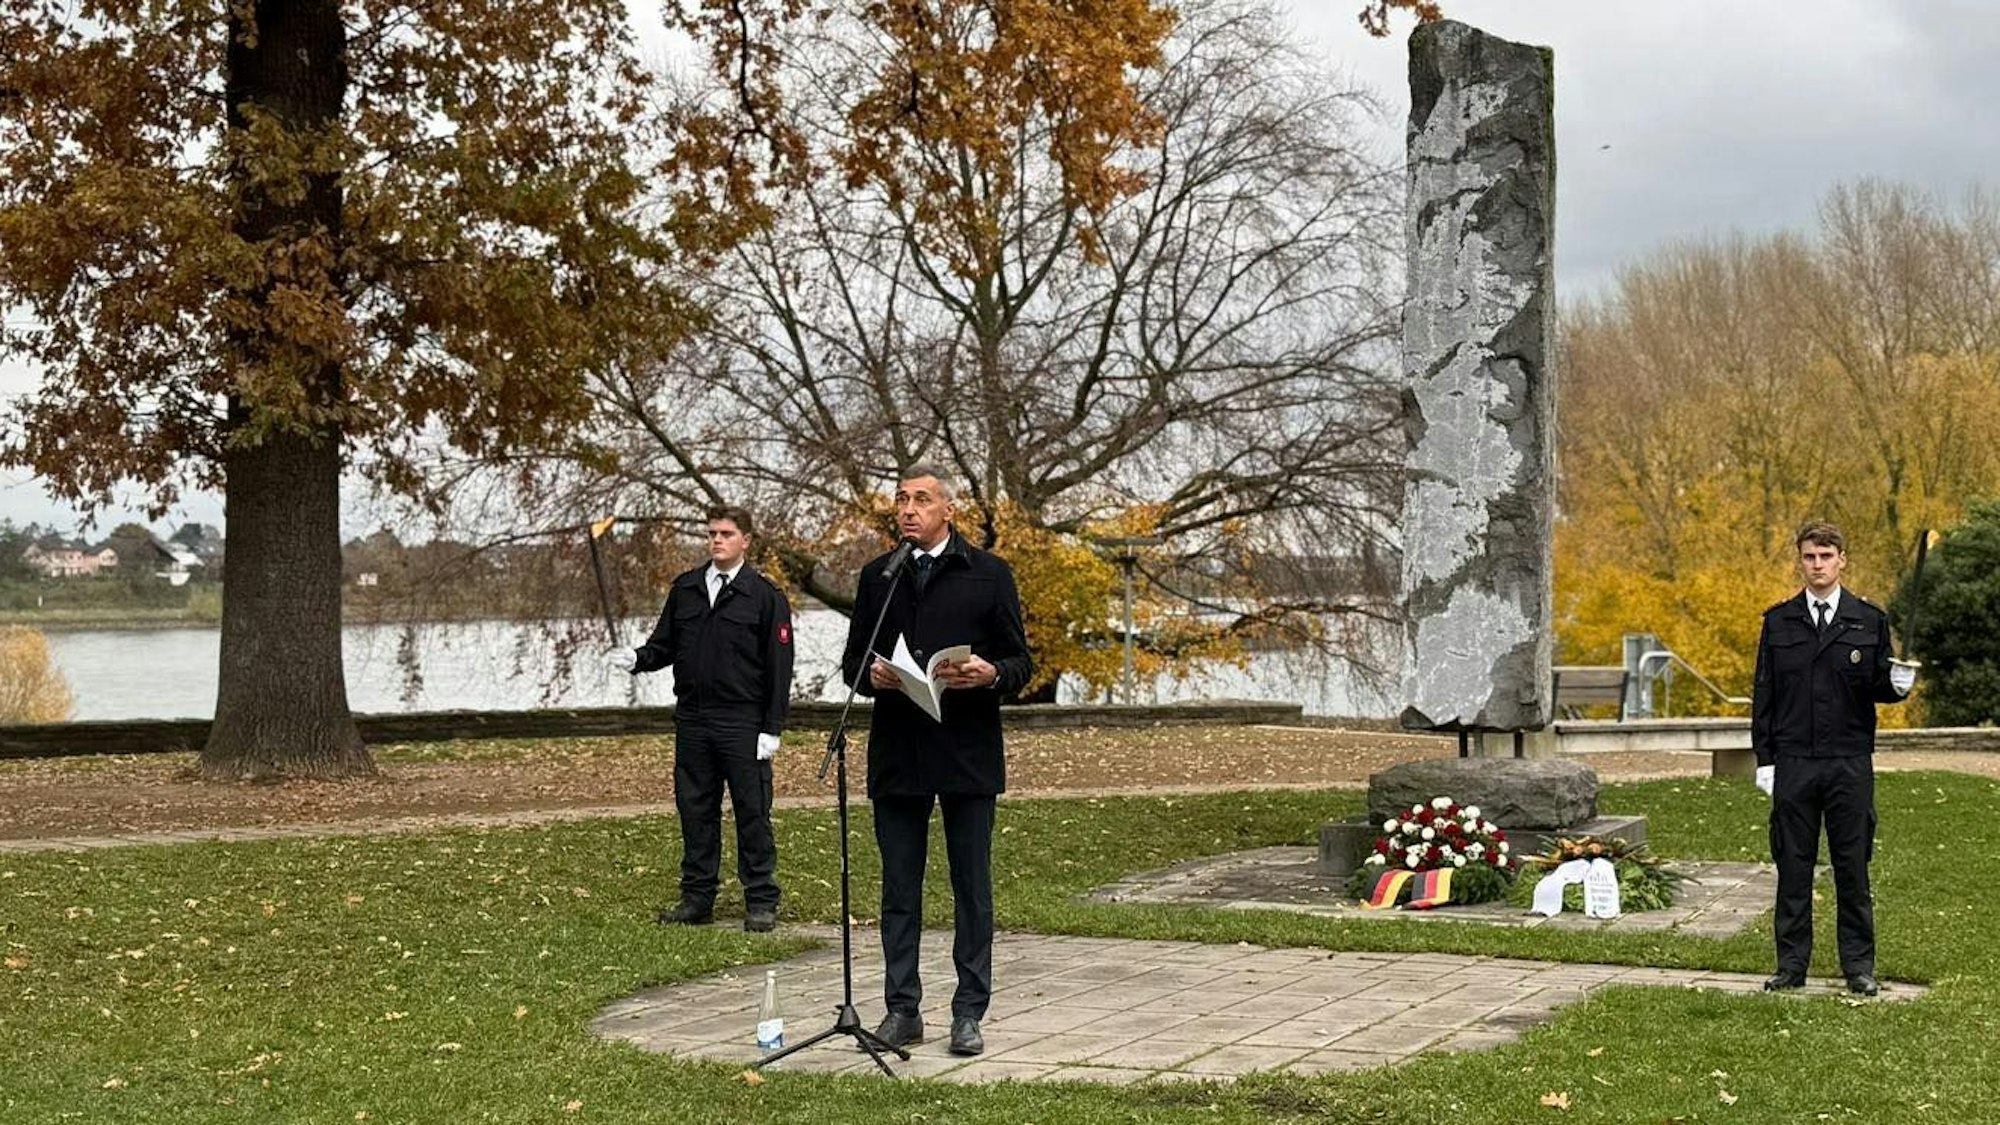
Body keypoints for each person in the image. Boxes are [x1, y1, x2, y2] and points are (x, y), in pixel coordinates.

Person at [840, 466, 1032, 1057]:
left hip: (966, 753)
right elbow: (852, 665)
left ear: (949, 509)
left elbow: (1021, 664)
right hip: (899, 754)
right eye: (901, 499)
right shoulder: (880, 576)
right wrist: (872, 677)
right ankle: (902, 1009)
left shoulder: (989, 574)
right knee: (899, 888)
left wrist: (991, 673)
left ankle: (968, 1012)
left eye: (921, 499)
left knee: (971, 888)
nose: (908, 509)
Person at [607, 506, 794, 932]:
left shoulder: (765, 596)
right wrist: (636, 658)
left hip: (742, 722)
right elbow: (664, 646)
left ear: (746, 540)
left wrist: (772, 727)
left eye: (726, 534)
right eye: (712, 533)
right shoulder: (687, 589)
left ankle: (761, 899)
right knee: (695, 811)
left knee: (752, 812)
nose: (717, 540)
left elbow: (779, 667)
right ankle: (697, 898)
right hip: (693, 720)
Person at [1751, 521, 1917, 996]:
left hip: (1849, 761)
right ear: (1800, 561)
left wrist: (1897, 686)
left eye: (1826, 556)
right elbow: (1765, 695)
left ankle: (1859, 967)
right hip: (1795, 761)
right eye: (1810, 556)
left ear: (1842, 560)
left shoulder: (1868, 619)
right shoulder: (1779, 621)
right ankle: (1791, 966)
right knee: (1793, 866)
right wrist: (1766, 759)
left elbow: (1879, 686)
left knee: (1852, 866)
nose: (1818, 565)